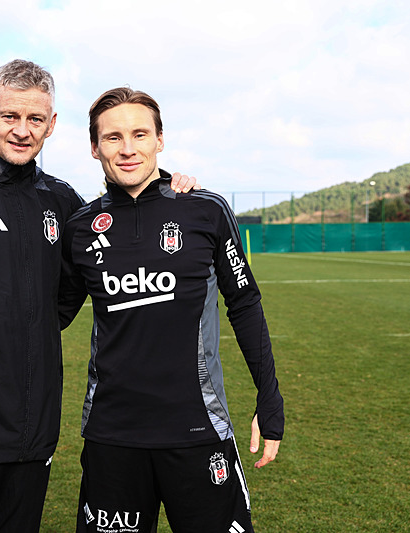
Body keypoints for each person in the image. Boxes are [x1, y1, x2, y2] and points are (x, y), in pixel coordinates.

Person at [0, 61, 197, 533]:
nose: (22, 131)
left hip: (32, 430)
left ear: (51, 125)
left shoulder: (61, 201)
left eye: (35, 120)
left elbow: (75, 284)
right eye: (10, 116)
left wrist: (167, 187)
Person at [58, 87, 284, 533]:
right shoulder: (81, 227)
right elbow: (48, 317)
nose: (127, 149)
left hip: (198, 431)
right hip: (112, 437)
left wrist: (269, 397)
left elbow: (245, 304)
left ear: (160, 140)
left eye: (140, 134)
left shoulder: (206, 210)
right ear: (93, 147)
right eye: (112, 137)